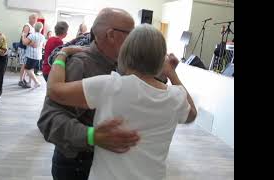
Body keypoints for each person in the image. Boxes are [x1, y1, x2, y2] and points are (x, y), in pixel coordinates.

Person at [48, 24, 197, 180]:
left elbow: (55, 90)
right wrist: (172, 74)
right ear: (161, 60)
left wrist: (62, 54)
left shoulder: (110, 86)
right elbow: (192, 114)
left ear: (125, 52)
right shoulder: (175, 97)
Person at [37, 8, 139, 180]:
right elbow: (49, 120)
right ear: (111, 35)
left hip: (103, 162)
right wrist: (92, 136)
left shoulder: (120, 64)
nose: (134, 40)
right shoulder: (80, 65)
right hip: (78, 166)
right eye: (130, 34)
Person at [21, 22, 46, 88]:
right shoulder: (43, 37)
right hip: (38, 56)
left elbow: (24, 42)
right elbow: (43, 46)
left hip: (31, 56)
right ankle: (29, 83)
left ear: (34, 28)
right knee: (31, 69)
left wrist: (23, 36)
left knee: (27, 69)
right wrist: (32, 44)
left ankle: (37, 82)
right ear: (41, 29)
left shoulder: (32, 35)